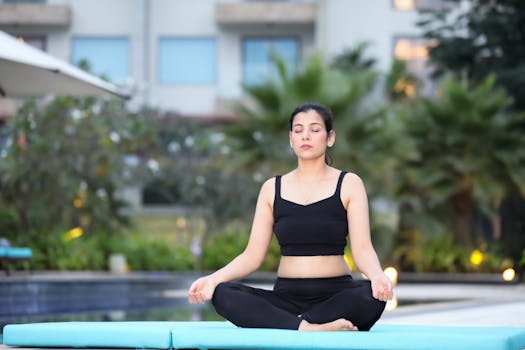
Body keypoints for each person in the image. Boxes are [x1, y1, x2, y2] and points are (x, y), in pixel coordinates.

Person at [188, 102, 393, 331]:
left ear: (330, 137)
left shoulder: (349, 184)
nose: (306, 136)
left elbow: (363, 249)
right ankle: (308, 327)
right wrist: (213, 279)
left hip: (336, 297)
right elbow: (252, 256)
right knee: (224, 294)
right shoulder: (271, 188)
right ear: (291, 138)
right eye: (298, 130)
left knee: (370, 296)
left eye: (315, 130)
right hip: (285, 299)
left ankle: (289, 324)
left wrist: (377, 276)